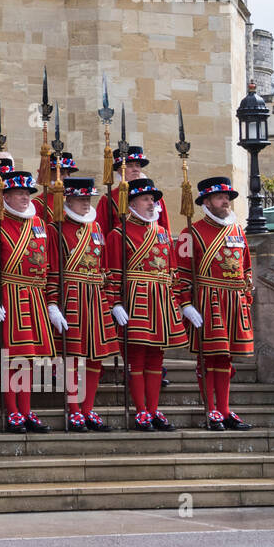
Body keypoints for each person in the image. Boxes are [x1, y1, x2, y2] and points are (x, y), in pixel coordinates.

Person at [103, 177, 189, 431]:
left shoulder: (161, 232)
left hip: (161, 300)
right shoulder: (118, 234)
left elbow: (173, 271)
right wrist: (115, 303)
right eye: (145, 199)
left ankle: (153, 410)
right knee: (136, 359)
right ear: (131, 203)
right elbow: (113, 273)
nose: (152, 204)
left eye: (153, 199)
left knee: (156, 359)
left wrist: (181, 302)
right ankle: (141, 411)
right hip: (135, 300)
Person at [0, 170, 56, 434]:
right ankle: (13, 412)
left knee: (31, 360)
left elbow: (48, 264)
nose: (24, 198)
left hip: (35, 295)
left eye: (27, 193)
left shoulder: (39, 224)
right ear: (5, 197)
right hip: (9, 295)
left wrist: (51, 301)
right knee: (12, 359)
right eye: (18, 194)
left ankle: (26, 409)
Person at [46, 176, 121, 431]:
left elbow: (106, 267)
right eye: (80, 199)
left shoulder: (97, 228)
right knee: (73, 357)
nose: (85, 204)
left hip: (95, 296)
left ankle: (88, 409)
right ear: (68, 199)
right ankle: (74, 408)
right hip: (72, 296)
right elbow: (52, 269)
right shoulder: (55, 228)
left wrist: (112, 301)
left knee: (95, 357)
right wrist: (53, 303)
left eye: (88, 199)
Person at [182, 176, 254, 431]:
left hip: (234, 301)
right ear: (208, 201)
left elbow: (246, 267)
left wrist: (246, 296)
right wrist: (185, 304)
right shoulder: (191, 233)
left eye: (228, 198)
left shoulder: (237, 230)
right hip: (207, 301)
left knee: (225, 358)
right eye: (221, 197)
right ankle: (210, 409)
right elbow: (181, 274)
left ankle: (224, 409)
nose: (226, 202)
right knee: (209, 357)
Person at [96, 147, 170, 236]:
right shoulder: (108, 199)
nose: (135, 169)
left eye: (138, 165)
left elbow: (164, 227)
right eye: (129, 165)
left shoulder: (153, 195)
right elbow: (102, 232)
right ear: (119, 170)